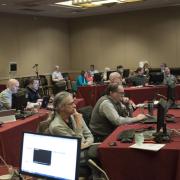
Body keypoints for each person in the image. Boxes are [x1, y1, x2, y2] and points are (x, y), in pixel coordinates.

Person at [38, 91, 99, 178]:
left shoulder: (73, 115)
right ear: (61, 107)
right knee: (98, 158)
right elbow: (75, 146)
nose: (75, 105)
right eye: (71, 103)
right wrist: (78, 125)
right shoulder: (56, 126)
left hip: (84, 149)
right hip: (69, 159)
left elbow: (89, 135)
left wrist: (86, 144)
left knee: (101, 154)